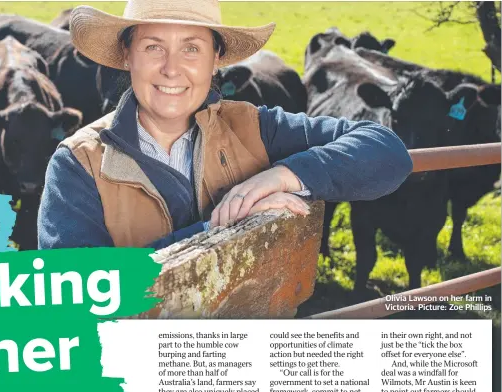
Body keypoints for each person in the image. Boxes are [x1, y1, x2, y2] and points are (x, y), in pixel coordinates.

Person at [37, 0, 413, 250]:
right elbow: (78, 295)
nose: (171, 68)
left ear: (216, 59)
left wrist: (283, 176)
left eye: (192, 48)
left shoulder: (252, 126)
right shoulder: (79, 164)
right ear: (126, 55)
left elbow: (387, 152)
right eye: (153, 46)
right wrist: (226, 228)